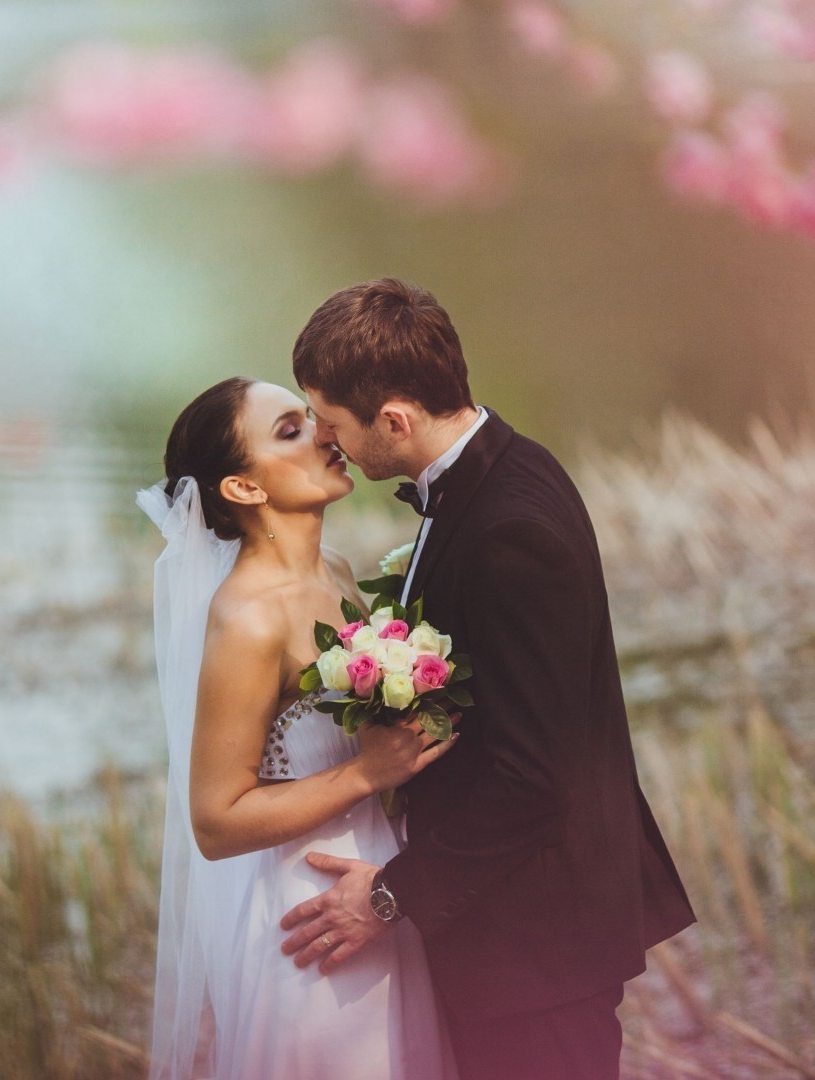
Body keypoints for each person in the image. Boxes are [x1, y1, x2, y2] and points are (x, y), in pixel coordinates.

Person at [278, 278, 697, 1080]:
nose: (328, 443)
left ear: (394, 419)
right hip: (519, 923)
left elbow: (534, 777)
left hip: (536, 937)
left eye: (332, 424)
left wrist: (390, 894)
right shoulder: (504, 467)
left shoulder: (509, 530)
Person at [138, 375, 458, 1080]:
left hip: (380, 884)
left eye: (311, 417)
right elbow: (216, 822)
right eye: (289, 430)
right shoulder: (248, 618)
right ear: (244, 489)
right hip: (311, 919)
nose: (323, 432)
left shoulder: (338, 572)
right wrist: (367, 773)